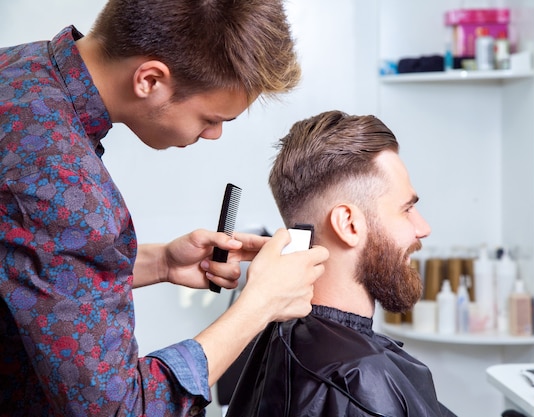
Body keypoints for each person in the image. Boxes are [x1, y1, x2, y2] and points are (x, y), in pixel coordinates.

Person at [0, 1, 329, 416]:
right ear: (150, 79)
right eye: (211, 118)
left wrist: (160, 263)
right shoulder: (67, 187)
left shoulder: (17, 67)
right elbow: (123, 409)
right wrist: (260, 305)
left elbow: (25, 261)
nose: (214, 135)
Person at [224, 110, 457, 417]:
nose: (423, 227)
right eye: (406, 209)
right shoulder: (357, 380)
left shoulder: (280, 337)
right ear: (348, 224)